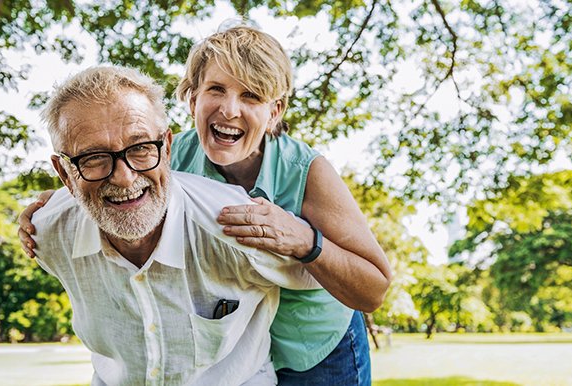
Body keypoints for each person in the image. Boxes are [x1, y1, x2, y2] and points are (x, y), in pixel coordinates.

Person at [20, 25, 392, 385]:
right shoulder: (167, 155)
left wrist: (305, 240)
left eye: (252, 95)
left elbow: (373, 288)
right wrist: (63, 200)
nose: (230, 109)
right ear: (193, 97)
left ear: (275, 112)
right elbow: (118, 175)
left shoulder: (306, 172)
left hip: (312, 343)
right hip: (239, 341)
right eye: (217, 89)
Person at [32, 65, 324, 385]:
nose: (124, 177)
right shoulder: (47, 233)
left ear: (167, 147)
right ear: (64, 174)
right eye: (93, 158)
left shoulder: (235, 226)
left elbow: (317, 278)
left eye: (141, 148)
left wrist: (310, 242)